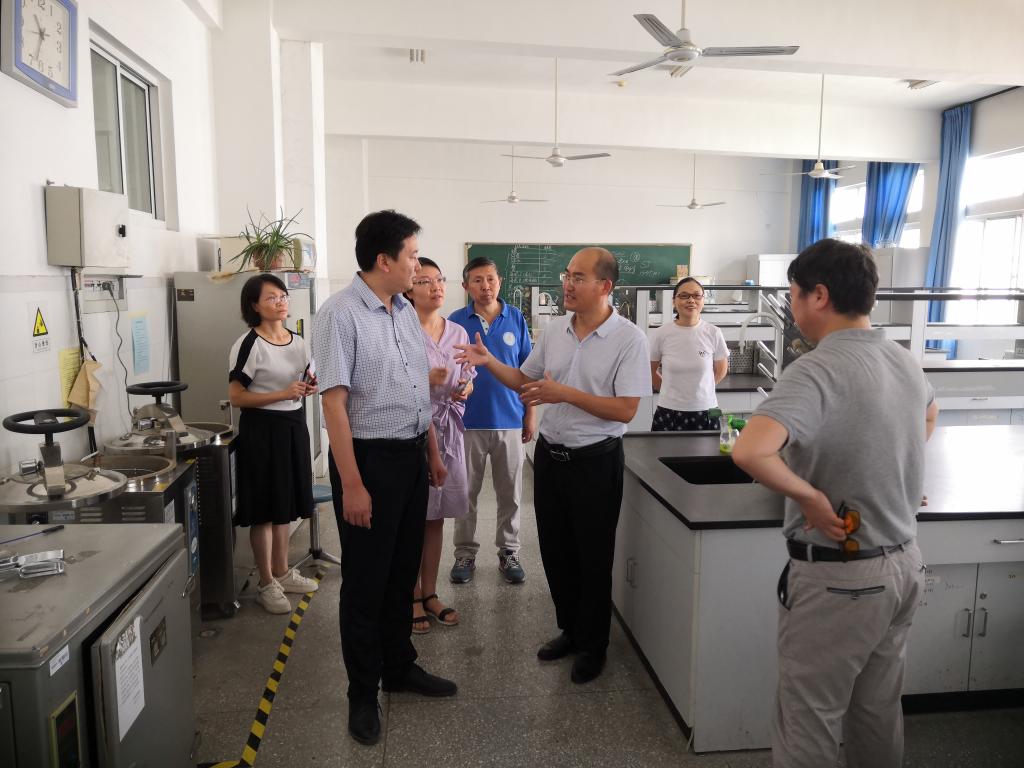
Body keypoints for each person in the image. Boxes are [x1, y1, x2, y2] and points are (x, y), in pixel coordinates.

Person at [731, 239, 938, 768]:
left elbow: (750, 451)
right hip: (904, 567)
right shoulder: (903, 359)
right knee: (877, 710)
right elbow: (930, 414)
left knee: (809, 716)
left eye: (793, 294)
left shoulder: (816, 369)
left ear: (818, 296)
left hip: (842, 578)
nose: (792, 306)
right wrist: (894, 473)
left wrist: (809, 497)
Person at [456, 247, 651, 684]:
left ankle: (594, 645)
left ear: (605, 286)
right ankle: (571, 630)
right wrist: (489, 363)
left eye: (578, 277)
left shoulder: (629, 339)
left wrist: (564, 394)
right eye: (567, 275)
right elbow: (525, 380)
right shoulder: (556, 330)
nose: (567, 283)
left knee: (592, 557)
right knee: (557, 552)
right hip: (551, 458)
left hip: (595, 461)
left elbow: (625, 409)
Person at [313, 210, 458, 747]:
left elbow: (417, 388)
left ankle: (399, 666)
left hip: (411, 456)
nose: (418, 267)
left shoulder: (402, 311)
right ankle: (362, 692)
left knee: (401, 573)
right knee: (366, 582)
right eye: (412, 256)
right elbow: (334, 405)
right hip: (369, 462)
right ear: (384, 260)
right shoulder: (339, 314)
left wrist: (432, 451)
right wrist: (352, 483)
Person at [228, 274, 320, 614]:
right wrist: (283, 393)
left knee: (286, 502)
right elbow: (236, 396)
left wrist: (309, 386)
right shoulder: (249, 344)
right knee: (264, 509)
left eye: (283, 296)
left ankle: (282, 571)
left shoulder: (298, 341)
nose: (280, 302)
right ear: (255, 305)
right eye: (271, 298)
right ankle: (266, 582)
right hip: (261, 429)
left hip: (293, 425)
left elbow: (304, 379)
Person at [448, 256, 536, 585]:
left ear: (500, 282)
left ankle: (509, 551)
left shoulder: (516, 318)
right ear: (465, 286)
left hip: (510, 421)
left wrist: (530, 415)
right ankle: (464, 554)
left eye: (490, 279)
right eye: (477, 280)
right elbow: (449, 370)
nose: (485, 286)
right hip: (466, 423)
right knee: (465, 494)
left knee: (510, 494)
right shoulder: (456, 321)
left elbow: (529, 372)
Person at [405, 257, 474, 633]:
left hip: (450, 430)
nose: (435, 287)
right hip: (414, 430)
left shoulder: (457, 331)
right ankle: (411, 595)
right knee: (413, 516)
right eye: (425, 281)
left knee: (437, 518)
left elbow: (468, 376)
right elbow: (390, 379)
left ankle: (430, 592)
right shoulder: (401, 329)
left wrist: (465, 386)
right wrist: (424, 377)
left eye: (440, 280)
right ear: (409, 288)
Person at [649, 277, 729, 431]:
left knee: (708, 448)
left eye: (696, 296)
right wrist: (669, 392)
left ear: (703, 300)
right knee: (664, 447)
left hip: (707, 409)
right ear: (674, 301)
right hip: (668, 410)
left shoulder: (713, 332)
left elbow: (721, 370)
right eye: (684, 296)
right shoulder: (661, 333)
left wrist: (701, 392)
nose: (691, 300)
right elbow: (650, 370)